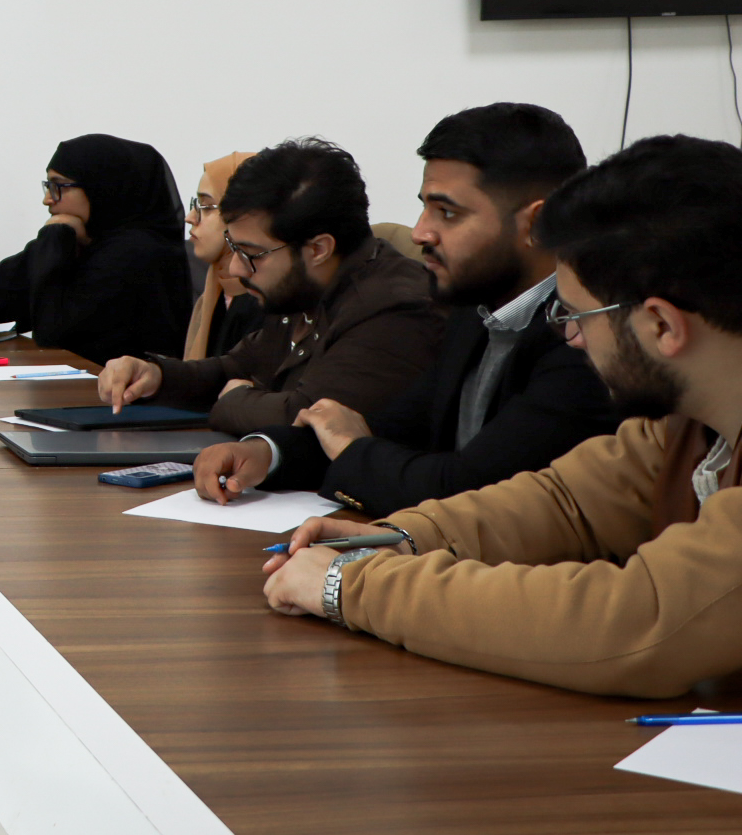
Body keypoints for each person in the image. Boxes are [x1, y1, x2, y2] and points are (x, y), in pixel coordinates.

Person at [263, 136, 742, 698]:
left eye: (579, 315)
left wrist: (352, 586)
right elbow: (567, 503)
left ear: (662, 325)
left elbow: (641, 621)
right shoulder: (683, 421)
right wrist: (405, 538)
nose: (571, 336)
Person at [196, 105, 618, 513]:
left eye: (447, 212)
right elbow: (389, 430)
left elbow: (466, 492)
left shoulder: (587, 340)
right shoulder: (474, 312)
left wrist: (353, 447)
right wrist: (268, 453)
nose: (420, 232)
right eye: (424, 206)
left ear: (537, 224)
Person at [97, 138, 445, 436]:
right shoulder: (304, 288)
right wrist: (156, 376)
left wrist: (234, 401)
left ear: (318, 249)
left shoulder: (391, 309)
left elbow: (308, 419)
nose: (237, 268)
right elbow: (234, 369)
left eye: (252, 253)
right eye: (234, 248)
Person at [0, 134, 191, 366]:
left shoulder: (138, 253)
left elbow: (54, 332)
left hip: (128, 409)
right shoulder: (87, 242)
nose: (48, 199)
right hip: (79, 393)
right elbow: (5, 285)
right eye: (48, 186)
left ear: (103, 188)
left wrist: (56, 235)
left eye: (59, 186)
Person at [182, 151, 263, 361]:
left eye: (206, 207)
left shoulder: (263, 301)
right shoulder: (217, 289)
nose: (190, 217)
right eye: (195, 205)